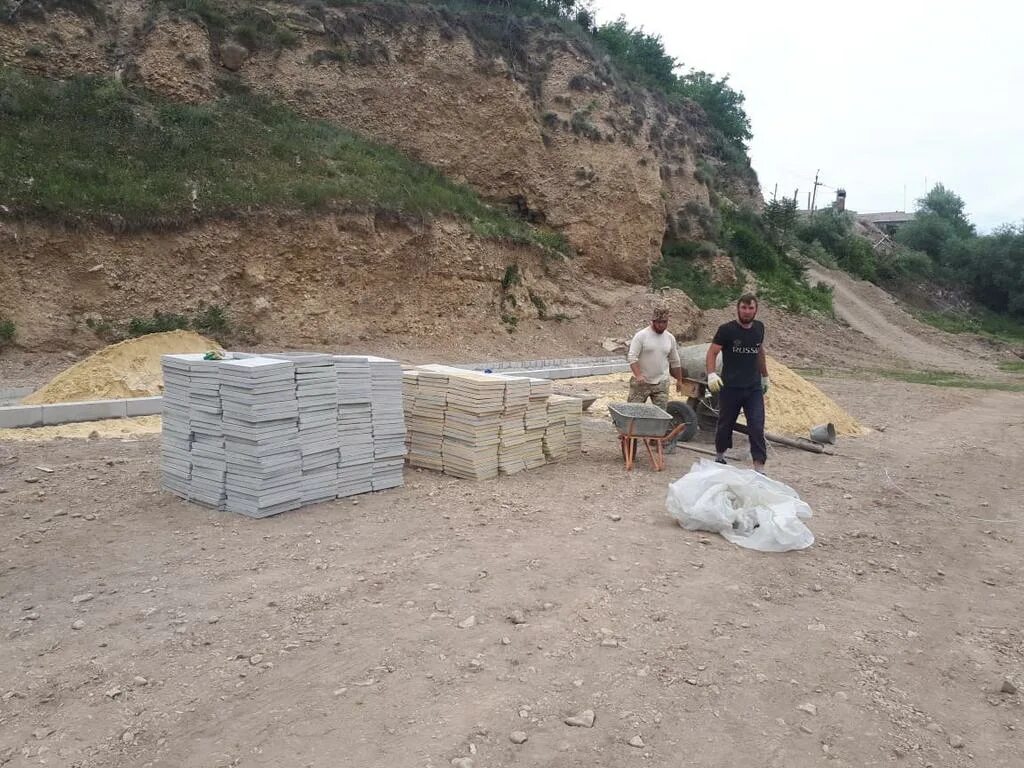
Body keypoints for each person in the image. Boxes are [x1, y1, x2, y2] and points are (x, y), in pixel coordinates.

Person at [706, 293, 770, 472]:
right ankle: (720, 456)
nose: (747, 312)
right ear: (738, 309)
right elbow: (712, 352)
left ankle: (759, 468)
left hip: (753, 387)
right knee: (725, 423)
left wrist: (764, 375)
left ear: (756, 309)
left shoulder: (759, 328)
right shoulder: (727, 330)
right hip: (731, 387)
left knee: (756, 426)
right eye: (744, 308)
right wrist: (711, 374)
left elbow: (759, 351)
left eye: (751, 308)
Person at [626, 306, 684, 410]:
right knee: (633, 412)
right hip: (641, 383)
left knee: (661, 414)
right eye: (658, 322)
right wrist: (638, 375)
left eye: (664, 322)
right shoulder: (641, 336)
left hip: (661, 383)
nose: (661, 325)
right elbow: (632, 357)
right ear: (653, 321)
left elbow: (675, 360)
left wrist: (679, 380)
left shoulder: (670, 338)